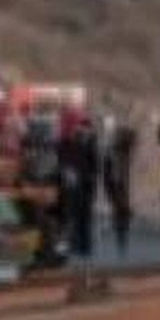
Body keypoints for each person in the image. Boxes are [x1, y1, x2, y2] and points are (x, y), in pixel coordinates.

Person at [55, 110, 102, 264]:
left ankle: (82, 247)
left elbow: (94, 164)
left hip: (83, 186)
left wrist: (88, 176)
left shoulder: (87, 141)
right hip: (71, 187)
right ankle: (69, 248)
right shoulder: (63, 143)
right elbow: (60, 162)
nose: (77, 129)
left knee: (81, 217)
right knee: (69, 219)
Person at [101, 114, 138, 254]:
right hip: (117, 186)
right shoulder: (118, 153)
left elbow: (110, 173)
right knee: (120, 212)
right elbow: (111, 173)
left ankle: (121, 241)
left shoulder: (119, 153)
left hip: (118, 186)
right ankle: (121, 242)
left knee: (120, 212)